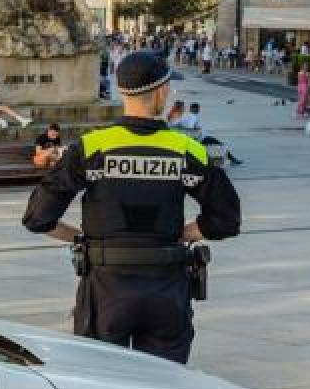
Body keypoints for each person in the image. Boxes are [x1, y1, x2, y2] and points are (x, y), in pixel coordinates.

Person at [21, 49, 242, 364]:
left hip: (105, 288)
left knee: (102, 384)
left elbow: (37, 218)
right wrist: (185, 233)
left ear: (122, 92)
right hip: (167, 287)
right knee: (163, 386)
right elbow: (226, 219)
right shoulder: (187, 150)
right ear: (162, 92)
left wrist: (81, 238)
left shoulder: (91, 147)